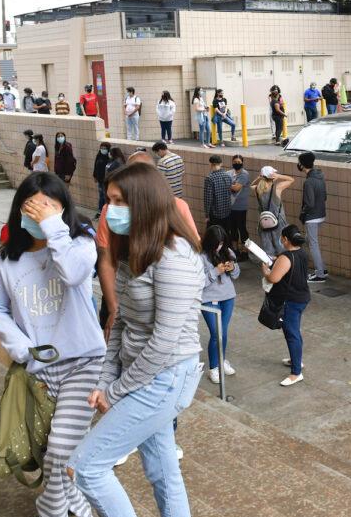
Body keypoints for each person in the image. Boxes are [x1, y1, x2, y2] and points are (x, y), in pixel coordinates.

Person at [69, 162, 206, 517]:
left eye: (118, 202)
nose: (109, 211)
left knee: (87, 465)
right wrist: (106, 378)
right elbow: (121, 321)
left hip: (167, 377)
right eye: (107, 201)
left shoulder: (177, 256)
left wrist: (115, 392)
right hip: (138, 373)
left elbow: (166, 342)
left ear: (144, 203)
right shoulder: (134, 248)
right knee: (162, 466)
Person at [0, 172, 105, 517]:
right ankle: (65, 499)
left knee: (57, 451)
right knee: (47, 449)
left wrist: (55, 228)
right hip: (37, 369)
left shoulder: (80, 245)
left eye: (48, 206)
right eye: (30, 207)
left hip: (82, 362)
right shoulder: (7, 260)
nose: (38, 214)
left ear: (63, 210)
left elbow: (72, 273)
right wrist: (22, 349)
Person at [94, 151, 199, 342]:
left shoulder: (177, 210)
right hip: (124, 303)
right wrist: (113, 307)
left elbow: (194, 253)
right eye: (110, 200)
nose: (112, 206)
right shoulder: (112, 213)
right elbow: (106, 259)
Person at [261, 224, 311, 387]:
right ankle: (296, 359)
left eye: (282, 237)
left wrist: (265, 271)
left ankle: (296, 373)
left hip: (290, 300)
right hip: (302, 297)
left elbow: (273, 278)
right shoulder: (301, 253)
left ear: (286, 239)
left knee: (291, 333)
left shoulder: (286, 257)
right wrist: (277, 259)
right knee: (294, 330)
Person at [200, 224, 240, 385]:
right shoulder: (201, 257)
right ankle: (214, 367)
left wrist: (233, 267)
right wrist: (216, 271)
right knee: (216, 334)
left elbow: (236, 275)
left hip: (228, 297)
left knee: (223, 332)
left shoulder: (227, 252)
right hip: (209, 299)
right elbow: (198, 282)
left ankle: (222, 360)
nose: (220, 246)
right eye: (217, 243)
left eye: (222, 243)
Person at [298, 152, 329, 283]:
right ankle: (322, 268)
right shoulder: (320, 177)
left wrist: (303, 212)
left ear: (302, 164)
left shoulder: (309, 182)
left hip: (312, 217)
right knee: (307, 241)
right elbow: (325, 197)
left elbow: (309, 203)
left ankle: (320, 274)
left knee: (313, 244)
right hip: (321, 214)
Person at [252, 166, 293, 260]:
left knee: (269, 254)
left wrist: (259, 178)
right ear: (272, 176)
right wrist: (279, 176)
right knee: (283, 251)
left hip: (264, 224)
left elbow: (250, 185)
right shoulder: (277, 188)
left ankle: (271, 271)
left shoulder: (257, 189)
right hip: (279, 223)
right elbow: (291, 180)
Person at [201, 155, 233, 230]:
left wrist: (207, 215)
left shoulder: (209, 178)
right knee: (226, 233)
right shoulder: (227, 176)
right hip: (227, 211)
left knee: (215, 234)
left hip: (215, 213)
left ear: (211, 164)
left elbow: (208, 199)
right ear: (221, 163)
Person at [227, 155, 250, 253]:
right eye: (235, 162)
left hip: (240, 207)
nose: (237, 163)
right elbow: (233, 186)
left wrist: (227, 184)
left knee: (242, 229)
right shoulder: (229, 173)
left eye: (238, 162)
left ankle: (245, 251)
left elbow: (236, 188)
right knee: (233, 229)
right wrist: (231, 185)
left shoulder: (244, 174)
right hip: (230, 207)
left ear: (242, 162)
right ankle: (235, 250)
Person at [94, 143, 124, 211]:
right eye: (101, 148)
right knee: (102, 196)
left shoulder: (118, 162)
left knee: (106, 198)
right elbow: (96, 166)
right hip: (102, 181)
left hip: (110, 183)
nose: (109, 154)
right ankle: (100, 211)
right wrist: (95, 176)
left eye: (110, 152)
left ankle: (105, 212)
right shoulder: (108, 159)